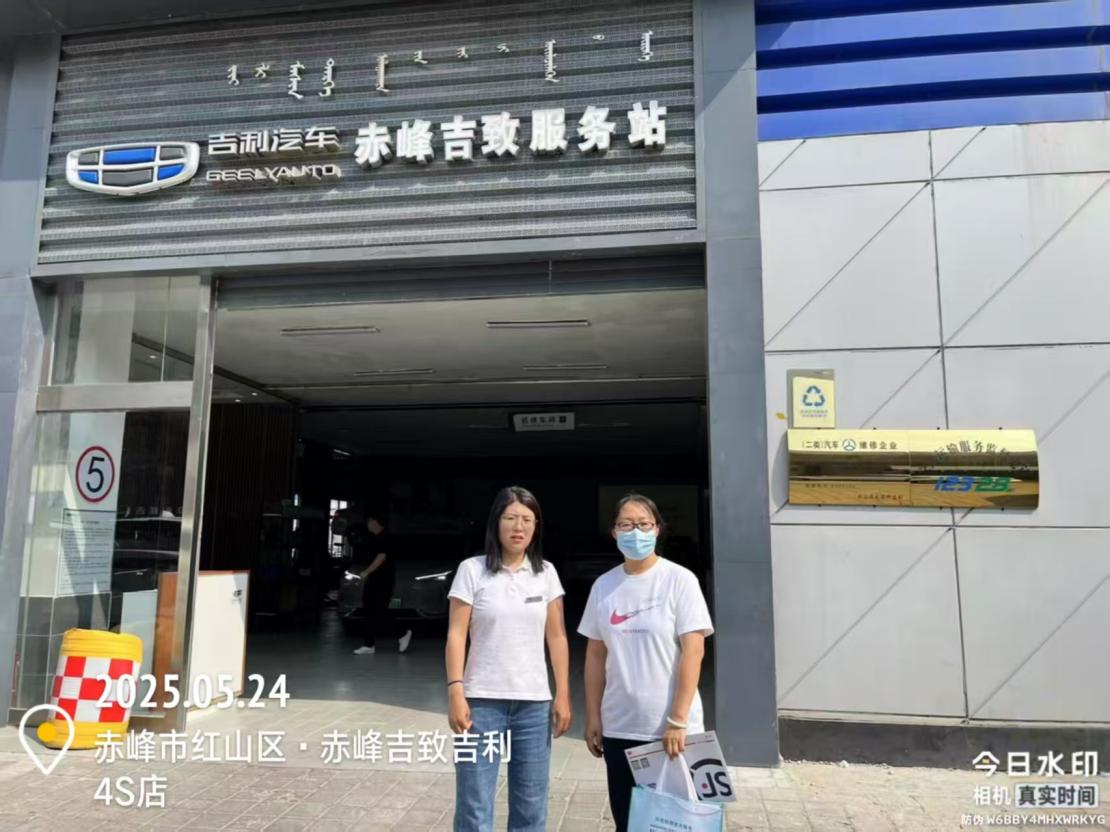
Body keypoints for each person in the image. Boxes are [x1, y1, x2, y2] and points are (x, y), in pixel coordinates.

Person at [578, 493, 714, 832]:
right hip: (620, 726)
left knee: (679, 823)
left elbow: (694, 650)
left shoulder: (680, 580)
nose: (635, 532)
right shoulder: (604, 586)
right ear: (614, 532)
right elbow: (595, 655)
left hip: (672, 730)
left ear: (657, 529)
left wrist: (678, 720)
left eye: (643, 524)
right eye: (626, 525)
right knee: (628, 822)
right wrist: (593, 716)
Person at [445, 486, 572, 832]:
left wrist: (562, 694)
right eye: (511, 518)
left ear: (536, 527)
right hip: (480, 703)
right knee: (474, 804)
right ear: (496, 523)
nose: (519, 527)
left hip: (533, 706)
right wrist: (456, 691)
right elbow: (456, 635)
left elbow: (557, 637)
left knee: (531, 805)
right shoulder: (472, 570)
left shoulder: (546, 573)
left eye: (528, 520)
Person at [351, 511, 412, 656]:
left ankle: (402, 633)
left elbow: (381, 556)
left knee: (379, 610)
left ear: (376, 522)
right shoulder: (374, 538)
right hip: (374, 579)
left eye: (369, 521)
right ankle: (369, 645)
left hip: (383, 580)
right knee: (369, 609)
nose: (368, 524)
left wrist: (366, 572)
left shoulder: (385, 537)